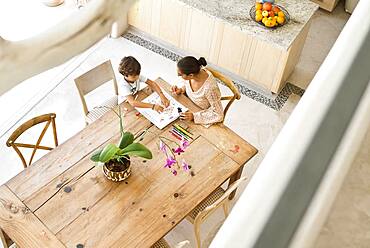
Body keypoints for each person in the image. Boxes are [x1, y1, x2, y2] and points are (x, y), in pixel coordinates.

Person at [171, 56, 224, 126]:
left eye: (180, 75)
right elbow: (188, 86)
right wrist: (181, 90)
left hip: (201, 113)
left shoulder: (210, 89)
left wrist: (194, 116)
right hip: (188, 105)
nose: (178, 76)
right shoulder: (194, 73)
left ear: (191, 75)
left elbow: (219, 115)